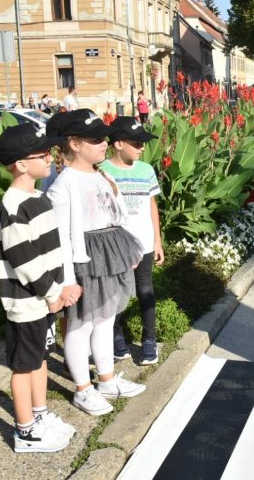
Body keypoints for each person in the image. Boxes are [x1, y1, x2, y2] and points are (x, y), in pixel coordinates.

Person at [46, 109, 146, 416]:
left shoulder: (102, 174)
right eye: (95, 139)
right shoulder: (64, 184)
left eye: (104, 138)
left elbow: (116, 216)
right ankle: (82, 389)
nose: (104, 143)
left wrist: (127, 252)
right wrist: (66, 279)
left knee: (104, 319)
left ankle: (106, 378)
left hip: (108, 253)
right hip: (85, 259)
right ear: (74, 144)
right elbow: (60, 235)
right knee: (80, 323)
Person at [0, 123, 78, 453]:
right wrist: (51, 293)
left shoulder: (38, 197)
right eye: (43, 154)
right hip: (27, 302)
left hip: (44, 300)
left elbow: (51, 252)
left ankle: (39, 414)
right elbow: (24, 260)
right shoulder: (14, 205)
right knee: (23, 366)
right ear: (21, 164)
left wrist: (57, 290)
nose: (50, 158)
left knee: (40, 358)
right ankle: (25, 430)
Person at [100, 117, 164, 366]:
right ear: (117, 144)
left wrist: (157, 240)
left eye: (143, 143)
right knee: (115, 293)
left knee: (145, 290)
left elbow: (152, 205)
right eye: (136, 143)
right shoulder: (103, 170)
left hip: (144, 241)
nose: (141, 148)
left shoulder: (146, 170)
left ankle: (149, 339)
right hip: (117, 245)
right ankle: (116, 336)